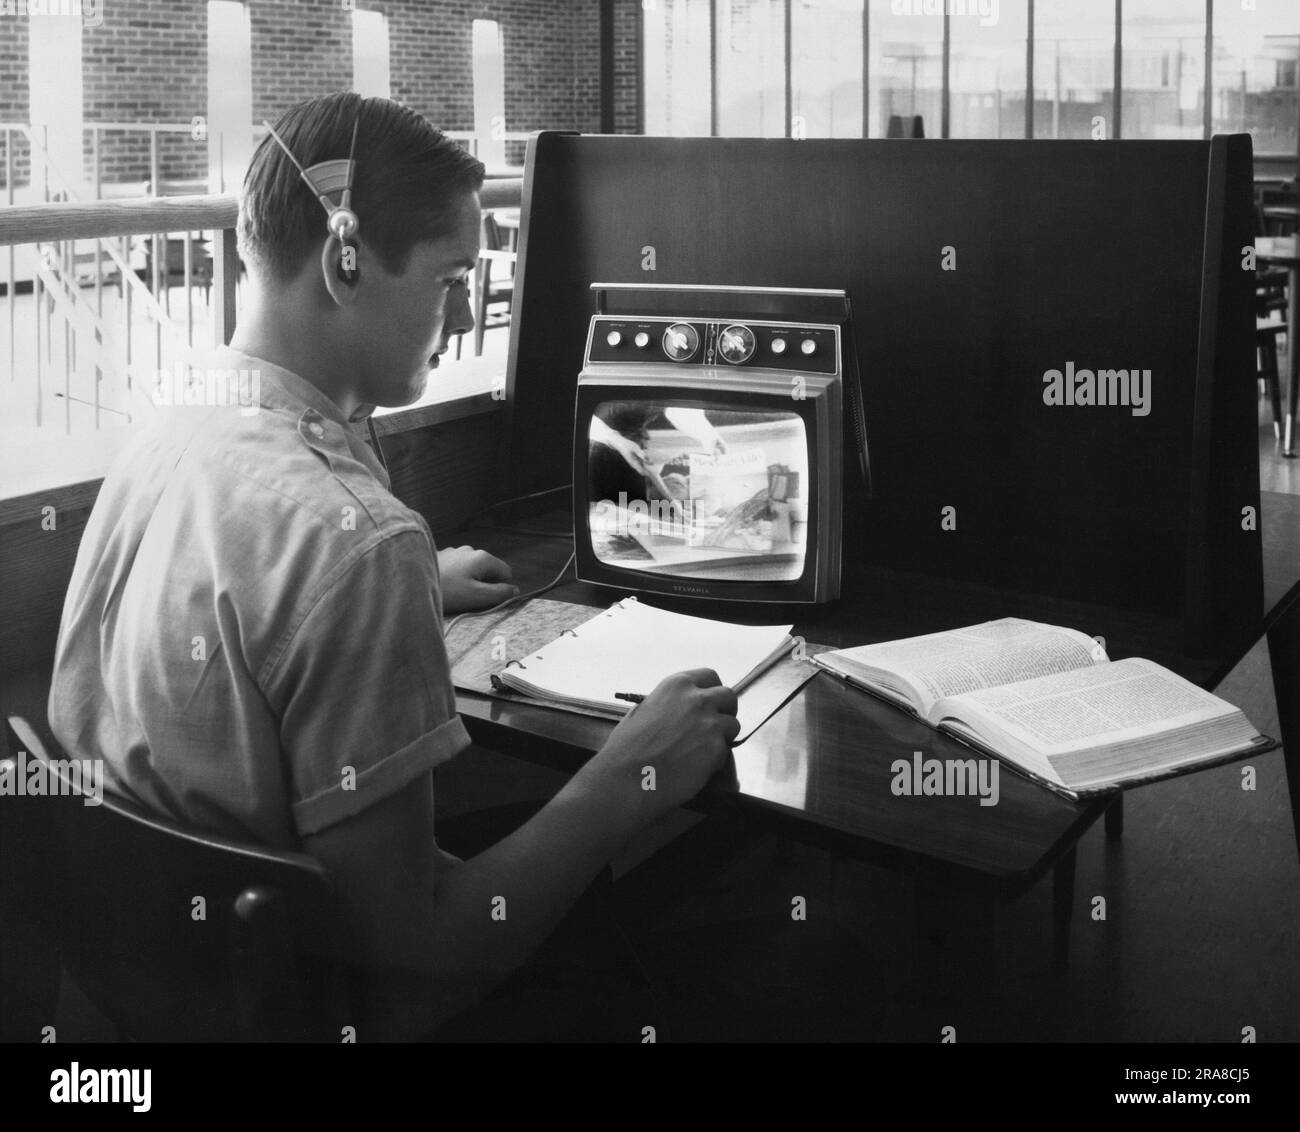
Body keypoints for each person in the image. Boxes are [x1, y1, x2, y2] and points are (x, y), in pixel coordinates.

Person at [47, 92, 739, 1039]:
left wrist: (405, 584)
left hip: (152, 1001)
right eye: (452, 277)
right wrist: (631, 778)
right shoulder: (358, 545)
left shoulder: (165, 428)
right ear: (345, 259)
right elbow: (415, 985)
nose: (458, 315)